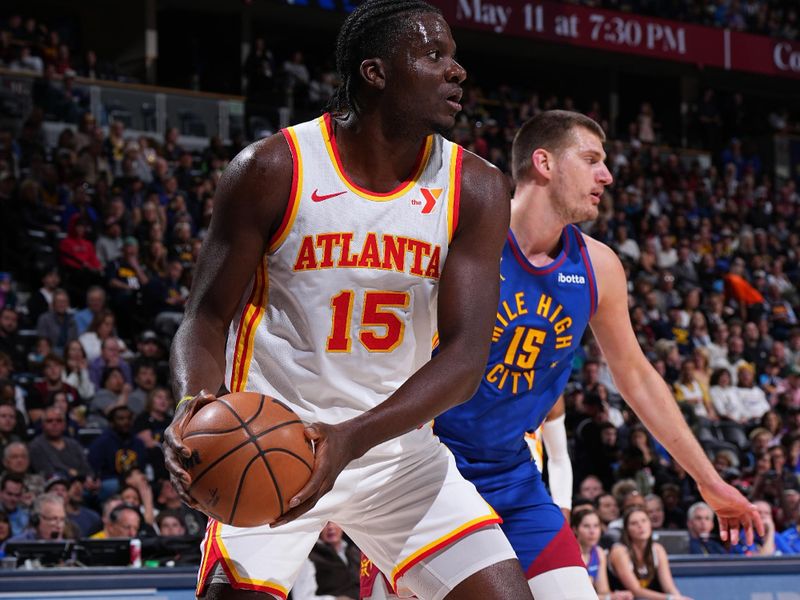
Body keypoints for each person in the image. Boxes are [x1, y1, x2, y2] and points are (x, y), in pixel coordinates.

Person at [164, 2, 529, 600]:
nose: (457, 70)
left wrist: (349, 441)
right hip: (273, 439)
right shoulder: (273, 168)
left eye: (454, 57)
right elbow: (204, 318)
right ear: (375, 72)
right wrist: (193, 404)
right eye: (434, 55)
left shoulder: (476, 187)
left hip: (396, 454)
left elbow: (464, 362)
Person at [379, 110, 761, 597]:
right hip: (425, 468)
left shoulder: (598, 265)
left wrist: (708, 479)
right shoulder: (460, 236)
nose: (607, 174)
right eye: (591, 160)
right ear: (544, 163)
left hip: (512, 474)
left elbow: (636, 376)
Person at [607, 509, 689, 599]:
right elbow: (636, 590)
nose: (640, 526)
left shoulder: (658, 550)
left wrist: (678, 597)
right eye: (634, 523)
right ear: (627, 530)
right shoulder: (619, 552)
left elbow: (669, 587)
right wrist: (669, 598)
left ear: (650, 524)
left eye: (644, 521)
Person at [571, 508, 632, 600]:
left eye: (596, 526)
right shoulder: (571, 554)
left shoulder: (599, 552)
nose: (592, 531)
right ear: (575, 529)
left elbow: (603, 590)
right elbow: (575, 597)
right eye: (586, 526)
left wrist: (617, 596)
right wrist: (609, 597)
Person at [293, 522, 360, 600]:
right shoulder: (308, 557)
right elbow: (302, 598)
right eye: (325, 523)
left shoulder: (355, 551)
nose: (330, 527)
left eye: (334, 521)